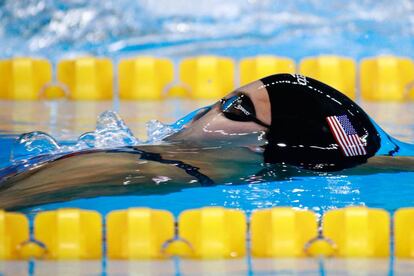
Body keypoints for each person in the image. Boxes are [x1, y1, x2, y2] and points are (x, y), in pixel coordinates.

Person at [0, 74, 413, 209]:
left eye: (235, 106)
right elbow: (354, 159)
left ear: (259, 144)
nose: (206, 109)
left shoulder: (135, 167)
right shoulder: (267, 169)